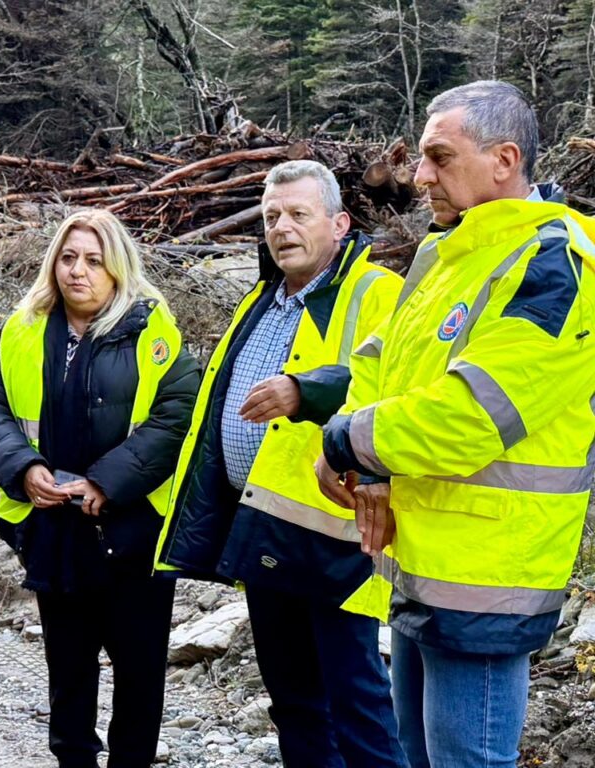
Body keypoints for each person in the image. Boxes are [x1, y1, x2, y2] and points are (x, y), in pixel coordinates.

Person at [316, 80, 595, 768]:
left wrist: (345, 441)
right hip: (421, 554)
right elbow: (375, 360)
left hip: (486, 575)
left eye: (439, 157)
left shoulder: (553, 265)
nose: (419, 176)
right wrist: (369, 466)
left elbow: (472, 415)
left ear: (504, 160)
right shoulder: (448, 256)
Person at [154, 160, 406, 768]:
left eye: (298, 214)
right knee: (293, 702)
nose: (281, 228)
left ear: (339, 224)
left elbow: (397, 385)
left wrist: (305, 390)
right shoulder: (261, 301)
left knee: (356, 700)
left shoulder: (377, 292)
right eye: (271, 217)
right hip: (267, 523)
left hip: (337, 532)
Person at [0, 208, 199, 768]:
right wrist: (24, 468)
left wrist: (108, 481)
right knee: (68, 671)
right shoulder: (23, 330)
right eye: (69, 258)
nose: (78, 271)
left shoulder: (151, 330)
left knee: (139, 672)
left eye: (94, 260)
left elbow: (179, 411)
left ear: (117, 268)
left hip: (133, 532)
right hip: (55, 532)